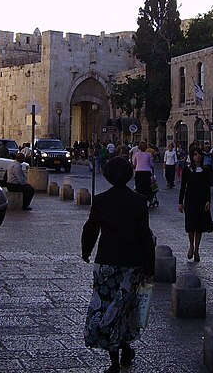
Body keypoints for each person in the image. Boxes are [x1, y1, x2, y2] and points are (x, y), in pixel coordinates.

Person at [82, 157, 155, 373]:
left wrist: (86, 251)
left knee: (108, 308)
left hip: (107, 263)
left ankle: (114, 360)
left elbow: (91, 229)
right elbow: (145, 237)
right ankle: (125, 347)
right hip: (132, 264)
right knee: (125, 308)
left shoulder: (101, 200)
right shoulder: (139, 201)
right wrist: (149, 268)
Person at [178, 146, 213, 262]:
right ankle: (191, 245)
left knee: (199, 226)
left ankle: (197, 248)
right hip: (190, 200)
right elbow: (183, 187)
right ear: (192, 157)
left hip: (202, 200)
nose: (198, 156)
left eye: (199, 154)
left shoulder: (206, 171)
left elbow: (207, 187)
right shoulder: (187, 170)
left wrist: (208, 200)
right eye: (195, 154)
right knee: (191, 225)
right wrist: (180, 202)